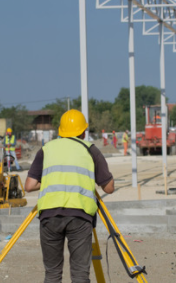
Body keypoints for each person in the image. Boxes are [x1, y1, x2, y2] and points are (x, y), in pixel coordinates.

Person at [24, 109, 115, 283]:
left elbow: (30, 185)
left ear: (61, 130)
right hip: (79, 216)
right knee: (80, 275)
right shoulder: (91, 150)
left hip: (49, 216)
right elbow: (109, 188)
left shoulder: (46, 149)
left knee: (52, 274)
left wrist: (55, 179)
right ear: (83, 131)